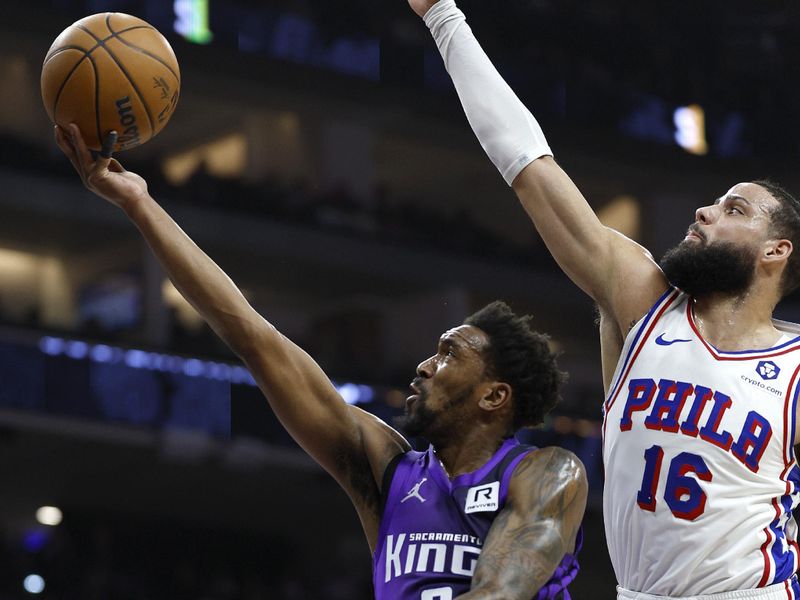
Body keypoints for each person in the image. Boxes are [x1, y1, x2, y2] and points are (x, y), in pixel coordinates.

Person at [53, 124, 587, 599]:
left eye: (449, 354)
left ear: (494, 394)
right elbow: (252, 336)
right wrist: (139, 205)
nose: (424, 366)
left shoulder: (546, 473)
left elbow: (500, 592)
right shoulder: (388, 472)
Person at [407, 0, 800, 598]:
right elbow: (527, 164)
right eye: (716, 201)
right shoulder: (643, 302)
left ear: (777, 252)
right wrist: (443, 16)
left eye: (734, 210)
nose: (705, 211)